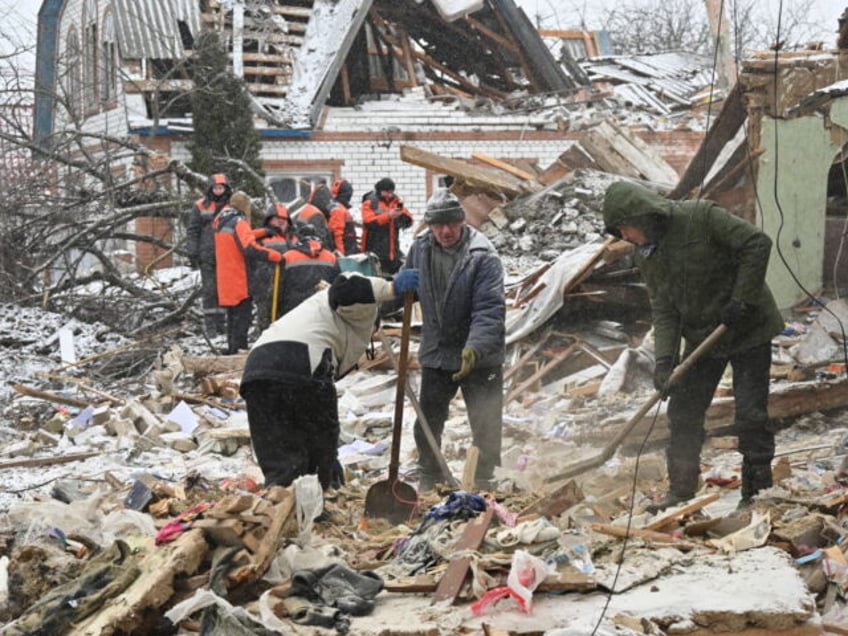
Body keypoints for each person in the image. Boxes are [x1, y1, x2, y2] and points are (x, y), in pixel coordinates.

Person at [602, 181, 784, 511]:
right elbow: (664, 307)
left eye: (626, 229)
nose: (626, 237)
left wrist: (742, 298)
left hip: (748, 327)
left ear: (643, 217)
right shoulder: (647, 255)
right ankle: (681, 490)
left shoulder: (701, 216)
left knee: (750, 414)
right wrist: (664, 361)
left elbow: (756, 244)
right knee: (683, 411)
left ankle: (757, 492)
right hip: (703, 336)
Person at [240, 270, 419, 490]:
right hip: (302, 362)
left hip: (257, 370)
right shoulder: (359, 308)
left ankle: (282, 505)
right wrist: (391, 288)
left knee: (279, 457)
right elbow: (344, 290)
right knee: (320, 445)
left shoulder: (316, 312)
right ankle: (318, 501)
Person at [401, 189, 505, 492]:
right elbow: (407, 288)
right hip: (437, 350)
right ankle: (429, 475)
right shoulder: (420, 248)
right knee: (428, 418)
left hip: (479, 352)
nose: (445, 232)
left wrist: (474, 348)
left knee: (485, 418)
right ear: (430, 225)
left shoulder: (482, 256)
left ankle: (483, 478)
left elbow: (489, 309)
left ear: (462, 222)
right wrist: (382, 299)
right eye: (438, 225)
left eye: (451, 224)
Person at [212, 191, 283, 354]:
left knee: (232, 319)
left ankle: (232, 350)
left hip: (226, 278)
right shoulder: (239, 221)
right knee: (242, 320)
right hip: (239, 278)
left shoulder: (222, 219)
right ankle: (239, 354)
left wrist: (263, 232)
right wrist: (274, 256)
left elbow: (240, 237)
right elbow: (249, 248)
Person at [185, 173, 231, 335]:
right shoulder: (200, 206)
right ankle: (210, 325)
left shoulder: (231, 207)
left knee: (224, 289)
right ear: (210, 188)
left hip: (226, 255)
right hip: (207, 254)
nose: (218, 191)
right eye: (216, 188)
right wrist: (192, 250)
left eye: (221, 188)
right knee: (210, 290)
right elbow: (193, 230)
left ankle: (222, 323)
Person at [251, 202, 296, 331]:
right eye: (277, 219)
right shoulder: (262, 237)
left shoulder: (293, 238)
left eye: (284, 220)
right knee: (266, 321)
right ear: (269, 220)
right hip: (265, 286)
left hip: (286, 288)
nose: (281, 222)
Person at [361, 177, 413, 275]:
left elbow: (408, 219)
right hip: (375, 250)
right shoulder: (370, 202)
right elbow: (368, 222)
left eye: (391, 192)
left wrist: (402, 217)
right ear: (380, 190)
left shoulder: (397, 202)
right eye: (387, 192)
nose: (389, 195)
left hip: (393, 252)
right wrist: (388, 216)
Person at [329, 178, 359, 255]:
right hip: (346, 251)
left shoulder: (338, 207)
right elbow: (337, 234)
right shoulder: (338, 209)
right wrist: (341, 253)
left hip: (348, 248)